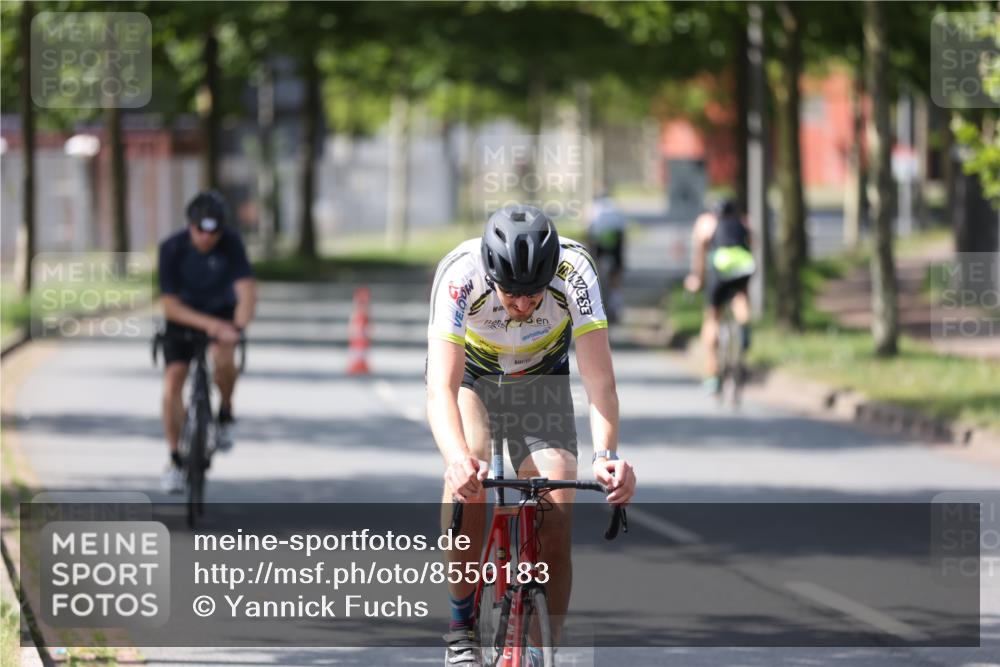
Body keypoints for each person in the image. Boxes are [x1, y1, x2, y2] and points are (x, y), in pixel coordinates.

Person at [426, 204, 637, 666]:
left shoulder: (575, 271)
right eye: (511, 294)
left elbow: (600, 380)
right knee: (471, 474)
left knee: (557, 498)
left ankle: (543, 646)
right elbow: (441, 388)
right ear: (490, 275)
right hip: (475, 378)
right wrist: (457, 460)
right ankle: (461, 628)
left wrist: (607, 455)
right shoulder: (460, 274)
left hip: (541, 379)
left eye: (534, 294)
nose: (523, 305)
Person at [157, 191, 257, 494]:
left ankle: (225, 412)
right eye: (201, 229)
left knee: (224, 359)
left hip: (222, 317)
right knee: (173, 382)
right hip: (183, 319)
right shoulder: (171, 248)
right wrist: (210, 325)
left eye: (214, 231)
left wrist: (237, 326)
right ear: (190, 225)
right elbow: (169, 305)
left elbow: (246, 291)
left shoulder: (232, 244)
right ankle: (175, 460)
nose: (207, 237)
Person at [683, 198, 755, 394]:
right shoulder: (744, 221)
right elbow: (751, 246)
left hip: (720, 269)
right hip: (743, 266)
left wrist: (697, 278)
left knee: (712, 316)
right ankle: (743, 328)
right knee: (741, 298)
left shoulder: (705, 223)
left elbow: (699, 255)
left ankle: (712, 375)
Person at [586, 193, 628, 323]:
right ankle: (616, 301)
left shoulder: (593, 207)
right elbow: (623, 233)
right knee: (616, 273)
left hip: (599, 236)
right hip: (615, 236)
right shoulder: (615, 207)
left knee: (593, 267)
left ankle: (595, 287)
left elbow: (588, 230)